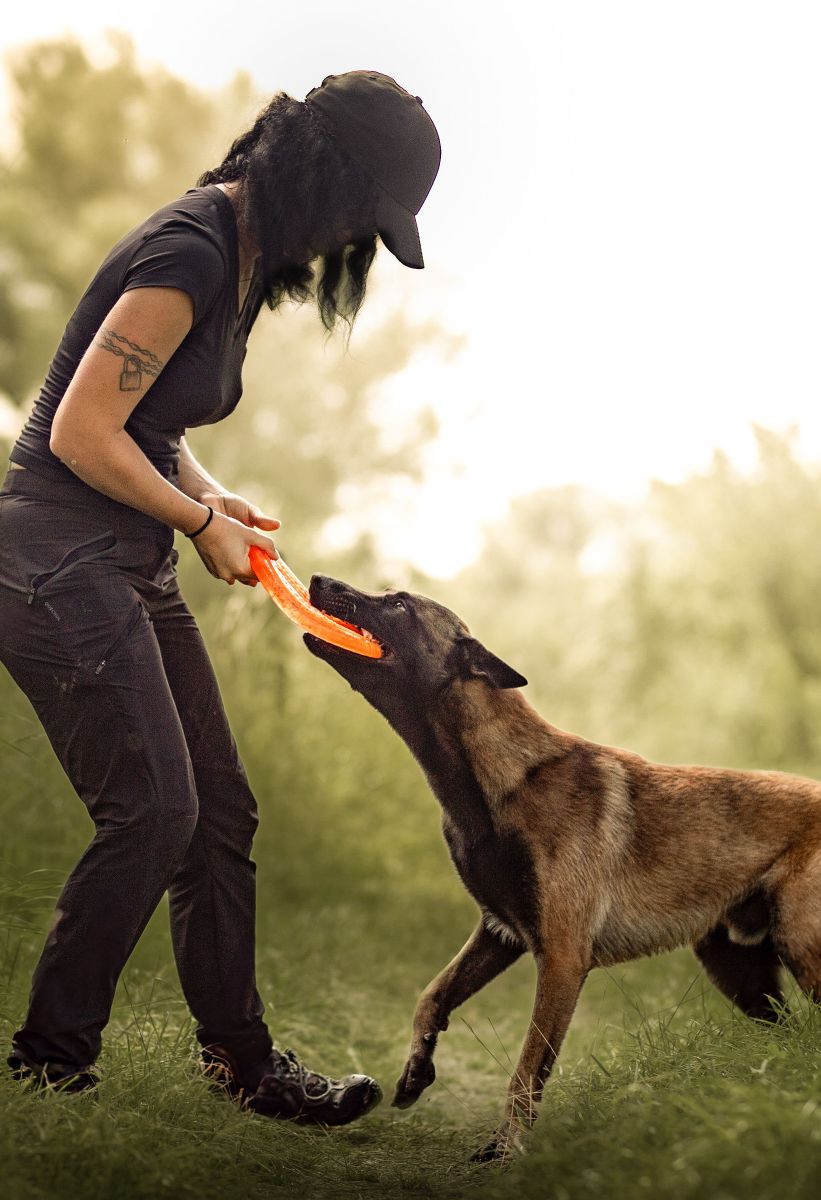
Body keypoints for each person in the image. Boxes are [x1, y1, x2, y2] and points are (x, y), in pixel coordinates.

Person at [0, 70, 440, 1124]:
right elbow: (78, 433)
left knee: (217, 812)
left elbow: (144, 420)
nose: (351, 248)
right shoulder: (194, 247)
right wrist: (200, 528)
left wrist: (205, 493)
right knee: (154, 810)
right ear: (321, 177)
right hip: (54, 563)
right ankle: (50, 1066)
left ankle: (242, 1064)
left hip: (120, 557)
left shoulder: (238, 259)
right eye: (360, 217)